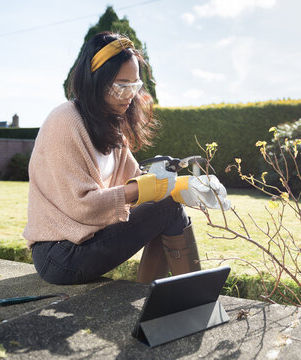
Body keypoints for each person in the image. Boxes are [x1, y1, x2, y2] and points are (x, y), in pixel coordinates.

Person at [23, 31, 230, 286]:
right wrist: (146, 190)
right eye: (121, 86)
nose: (129, 95)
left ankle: (161, 299)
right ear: (95, 81)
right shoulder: (65, 121)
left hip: (86, 241)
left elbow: (138, 181)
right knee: (168, 209)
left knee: (168, 206)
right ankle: (191, 298)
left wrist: (182, 185)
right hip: (59, 254)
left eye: (134, 86)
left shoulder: (111, 127)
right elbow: (82, 206)